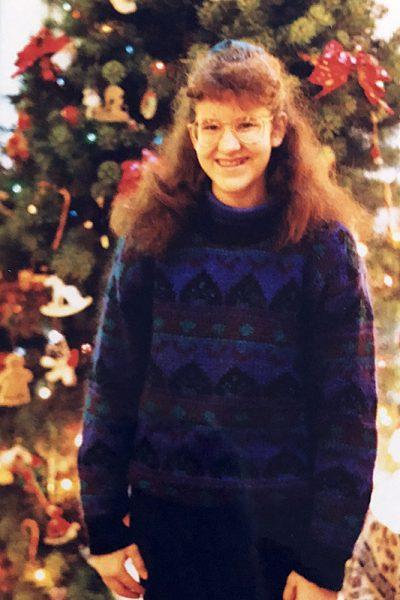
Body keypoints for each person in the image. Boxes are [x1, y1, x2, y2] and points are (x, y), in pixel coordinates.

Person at [78, 39, 378, 600]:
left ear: (279, 129)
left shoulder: (325, 249)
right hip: (165, 529)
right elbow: (111, 386)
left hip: (279, 537)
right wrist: (102, 523)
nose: (228, 144)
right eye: (211, 127)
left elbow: (349, 412)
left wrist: (323, 558)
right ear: (192, 135)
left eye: (246, 124)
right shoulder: (150, 238)